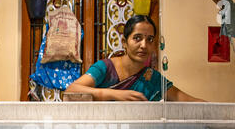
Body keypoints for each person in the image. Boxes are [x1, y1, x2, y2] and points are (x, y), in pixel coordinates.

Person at [65, 15, 203, 102]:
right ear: (124, 42)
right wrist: (115, 95)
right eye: (137, 38)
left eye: (149, 40)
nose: (144, 45)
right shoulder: (106, 68)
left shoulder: (151, 78)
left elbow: (185, 99)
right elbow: (72, 90)